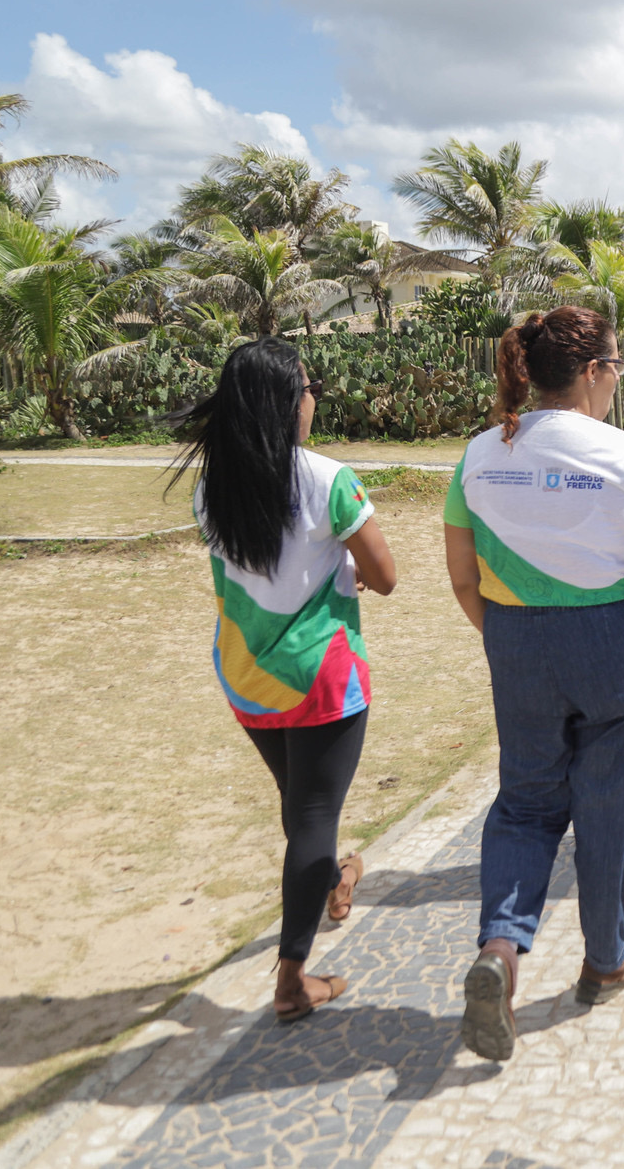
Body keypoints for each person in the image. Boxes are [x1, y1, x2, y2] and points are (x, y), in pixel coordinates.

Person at [444, 306, 624, 1061]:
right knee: (608, 801)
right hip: (614, 645)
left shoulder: (479, 457)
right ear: (591, 372)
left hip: (516, 639)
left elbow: (462, 575)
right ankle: (606, 955)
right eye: (615, 368)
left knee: (523, 802)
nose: (616, 382)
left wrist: (517, 638)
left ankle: (500, 948)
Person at [171, 337, 397, 1022]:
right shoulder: (331, 479)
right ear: (282, 401)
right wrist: (345, 574)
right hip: (319, 676)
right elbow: (385, 577)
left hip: (246, 675)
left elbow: (262, 568)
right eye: (308, 385)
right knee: (312, 813)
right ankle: (293, 978)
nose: (314, 396)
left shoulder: (212, 487)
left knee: (302, 804)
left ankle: (333, 877)